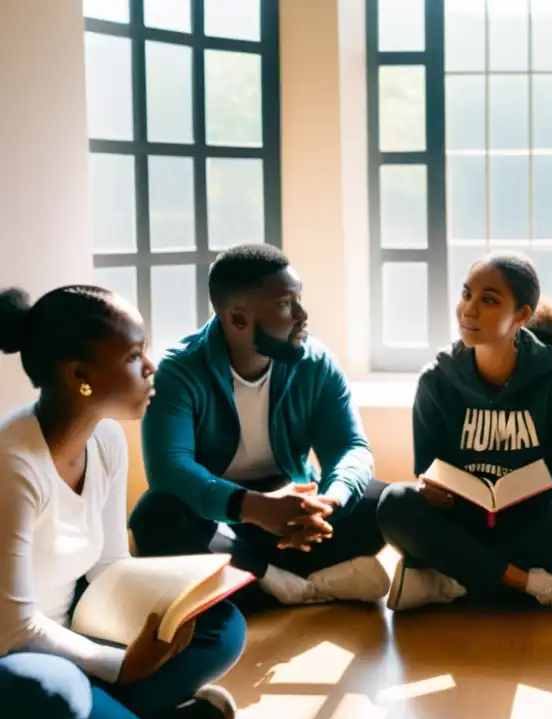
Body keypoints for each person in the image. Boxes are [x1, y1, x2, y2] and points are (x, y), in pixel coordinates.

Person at [0, 286, 246, 719]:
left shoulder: (106, 439)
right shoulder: (13, 466)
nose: (151, 368)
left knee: (220, 626)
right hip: (14, 655)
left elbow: (111, 564)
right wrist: (121, 664)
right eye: (135, 356)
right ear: (79, 376)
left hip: (70, 635)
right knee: (49, 696)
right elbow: (15, 628)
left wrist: (173, 602)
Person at [128, 244, 389, 610]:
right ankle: (293, 581)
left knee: (385, 503)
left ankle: (257, 583)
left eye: (299, 299)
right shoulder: (179, 371)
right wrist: (254, 508)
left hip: (291, 507)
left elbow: (351, 447)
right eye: (286, 304)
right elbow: (170, 470)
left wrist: (329, 501)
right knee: (155, 518)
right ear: (238, 318)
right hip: (219, 514)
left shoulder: (315, 361)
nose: (302, 315)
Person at [376, 252, 552, 613]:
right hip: (463, 520)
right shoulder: (436, 379)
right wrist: (432, 488)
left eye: (488, 300)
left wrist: (524, 492)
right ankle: (534, 583)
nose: (469, 309)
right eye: (466, 294)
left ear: (522, 315)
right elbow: (426, 466)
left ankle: (451, 581)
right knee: (394, 503)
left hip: (528, 519)